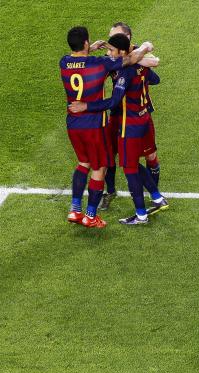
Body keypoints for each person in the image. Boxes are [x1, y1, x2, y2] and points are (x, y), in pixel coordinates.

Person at [59, 26, 153, 227]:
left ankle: (75, 210)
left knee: (83, 162)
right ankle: (91, 215)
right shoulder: (100, 64)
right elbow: (130, 60)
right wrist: (145, 47)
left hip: (73, 123)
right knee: (100, 167)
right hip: (93, 124)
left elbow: (78, 61)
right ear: (86, 42)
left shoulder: (64, 62)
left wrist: (88, 49)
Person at [93, 22, 167, 213]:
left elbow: (154, 65)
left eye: (113, 39)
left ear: (126, 39)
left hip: (133, 116)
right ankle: (110, 192)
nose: (109, 44)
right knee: (110, 154)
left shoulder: (131, 58)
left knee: (146, 156)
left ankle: (153, 197)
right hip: (120, 115)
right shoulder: (117, 57)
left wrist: (87, 106)